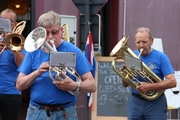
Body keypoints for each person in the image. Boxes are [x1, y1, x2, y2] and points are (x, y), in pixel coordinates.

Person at [15, 10, 96, 120]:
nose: (50, 37)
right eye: (46, 33)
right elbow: (19, 85)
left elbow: (92, 85)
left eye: (54, 32)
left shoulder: (73, 51)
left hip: (66, 112)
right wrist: (37, 72)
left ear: (61, 30)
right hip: (37, 112)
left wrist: (74, 85)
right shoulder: (34, 51)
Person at [120, 27, 176, 120]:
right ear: (135, 42)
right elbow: (125, 84)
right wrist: (125, 73)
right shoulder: (133, 55)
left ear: (152, 41)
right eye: (138, 42)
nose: (141, 45)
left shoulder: (161, 57)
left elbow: (172, 82)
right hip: (135, 101)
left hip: (156, 103)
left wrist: (150, 87)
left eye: (144, 42)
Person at [0, 8, 26, 120]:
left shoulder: (19, 41)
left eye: (9, 21)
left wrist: (15, 49)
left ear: (15, 24)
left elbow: (22, 66)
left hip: (12, 92)